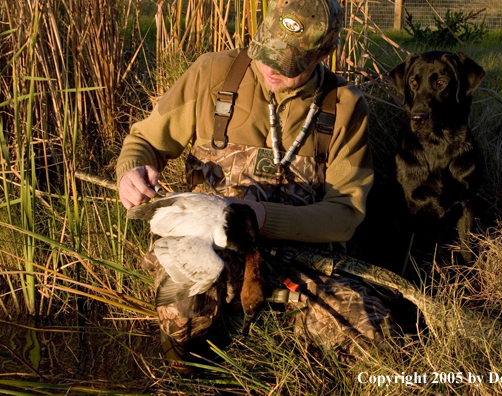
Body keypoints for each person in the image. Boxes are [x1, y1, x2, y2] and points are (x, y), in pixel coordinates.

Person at [117, 0, 397, 368]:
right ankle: (181, 370)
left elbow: (345, 213)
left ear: (325, 51)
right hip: (212, 254)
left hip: (300, 262)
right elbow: (147, 141)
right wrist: (133, 170)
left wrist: (263, 217)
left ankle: (284, 337)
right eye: (266, 51)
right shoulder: (212, 74)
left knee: (375, 335)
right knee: (185, 305)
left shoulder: (344, 106)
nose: (270, 67)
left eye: (288, 62)